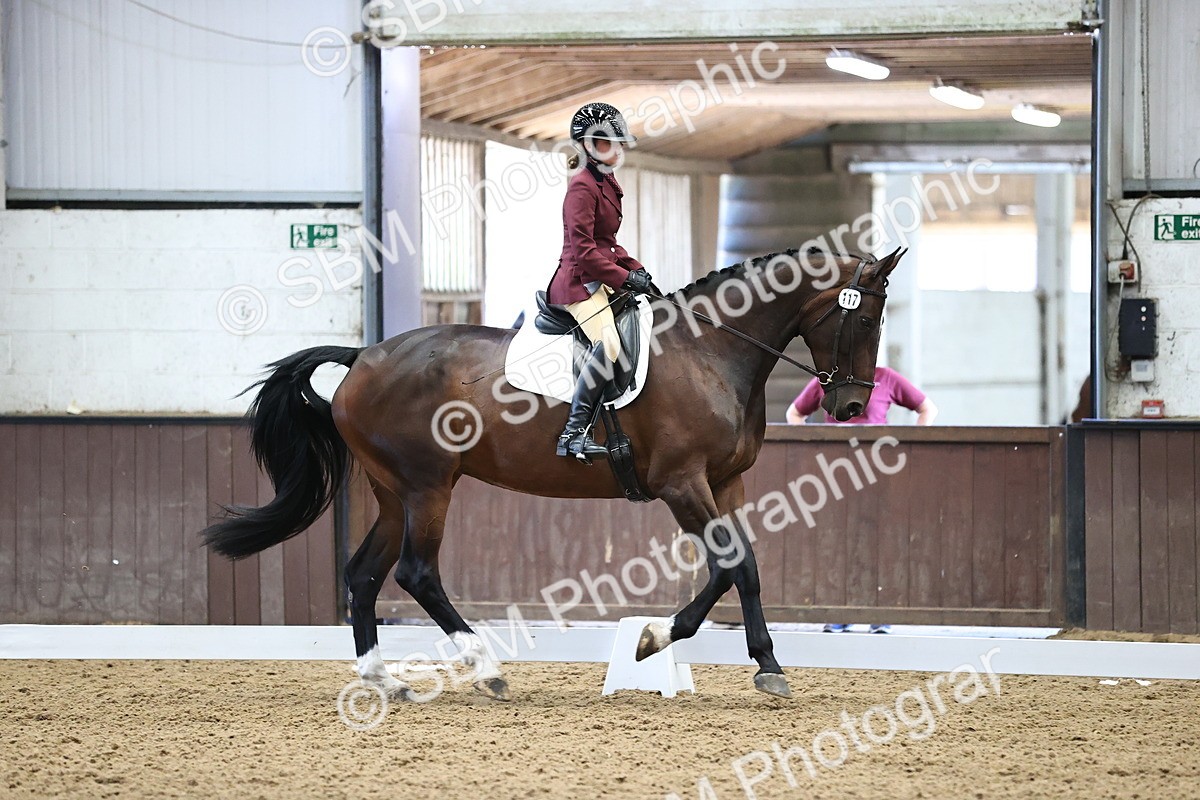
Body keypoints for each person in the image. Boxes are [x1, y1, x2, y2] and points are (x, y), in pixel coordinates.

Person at [787, 366, 937, 633]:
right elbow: (795, 413)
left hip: (878, 471)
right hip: (834, 472)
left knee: (878, 539)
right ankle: (837, 611)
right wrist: (810, 446)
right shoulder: (827, 378)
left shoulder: (886, 377)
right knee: (836, 539)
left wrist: (915, 442)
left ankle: (880, 612)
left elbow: (927, 407)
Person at [546, 102, 654, 461]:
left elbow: (608, 243)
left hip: (599, 277)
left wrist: (636, 270)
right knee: (607, 345)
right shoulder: (581, 188)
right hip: (578, 283)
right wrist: (624, 278)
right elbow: (585, 251)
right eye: (610, 143)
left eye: (620, 143)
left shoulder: (605, 181)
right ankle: (573, 434)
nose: (618, 150)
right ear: (588, 146)